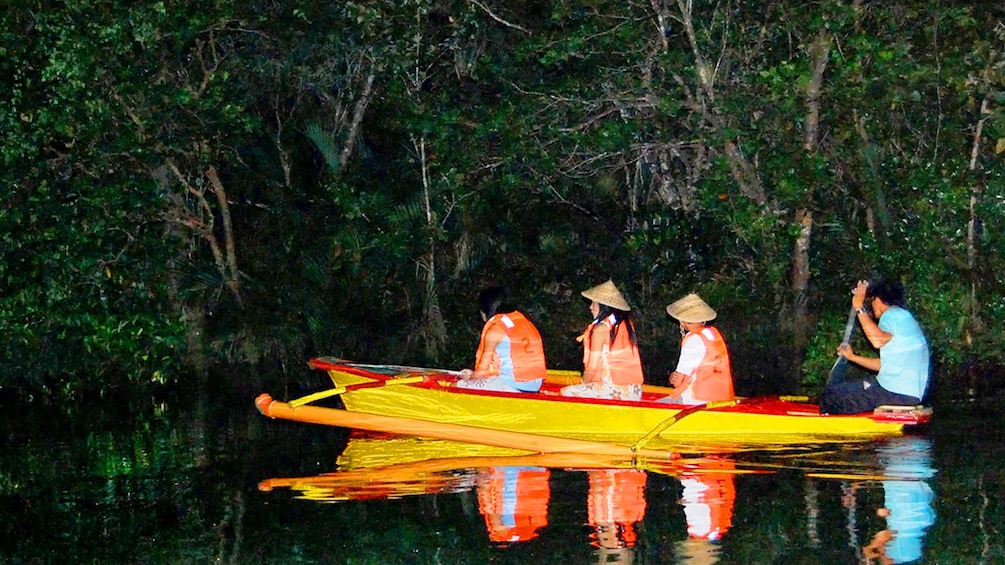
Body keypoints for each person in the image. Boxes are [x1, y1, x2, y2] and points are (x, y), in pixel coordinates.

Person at [820, 279, 930, 415]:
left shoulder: (891, 315)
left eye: (872, 300)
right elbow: (886, 365)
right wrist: (852, 357)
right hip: (908, 395)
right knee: (844, 391)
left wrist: (859, 307)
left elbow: (877, 341)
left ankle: (830, 425)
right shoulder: (905, 319)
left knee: (832, 395)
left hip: (891, 391)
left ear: (878, 300)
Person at [561, 280, 645, 401]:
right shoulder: (625, 324)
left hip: (615, 391)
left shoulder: (601, 329)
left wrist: (583, 383)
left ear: (604, 306)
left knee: (566, 393)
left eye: (593, 304)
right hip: (634, 391)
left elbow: (592, 367)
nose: (590, 307)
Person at [457, 286, 547, 393]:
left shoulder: (494, 330)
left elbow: (481, 373)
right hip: (534, 385)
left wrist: (470, 377)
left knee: (455, 386)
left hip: (512, 385)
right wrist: (473, 374)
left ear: (484, 311)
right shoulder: (525, 323)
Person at [662, 293, 735, 405]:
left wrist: (673, 377)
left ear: (682, 321)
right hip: (722, 397)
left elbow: (679, 380)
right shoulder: (712, 334)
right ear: (703, 320)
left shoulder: (693, 340)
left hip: (696, 399)